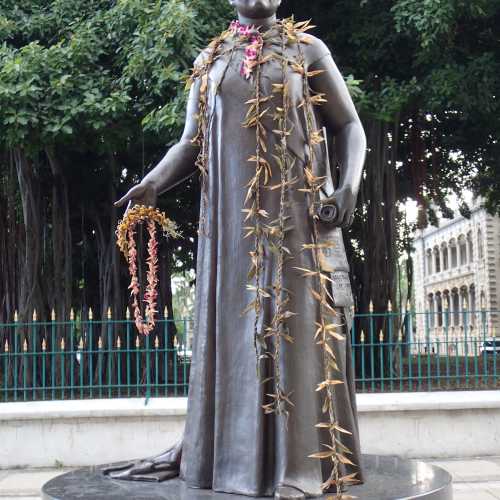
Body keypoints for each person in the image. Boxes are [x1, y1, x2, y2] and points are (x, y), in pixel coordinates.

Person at [105, 1, 366, 498]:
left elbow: (349, 124)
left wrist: (348, 186)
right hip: (230, 230)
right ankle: (227, 462)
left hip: (295, 220)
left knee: (294, 330)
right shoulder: (212, 60)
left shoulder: (305, 49)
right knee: (236, 334)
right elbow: (191, 141)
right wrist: (154, 182)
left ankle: (300, 469)